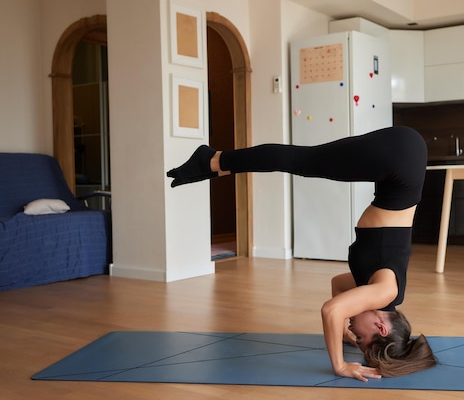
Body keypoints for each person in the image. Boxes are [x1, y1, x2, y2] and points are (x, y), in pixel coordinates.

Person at [167, 126, 437, 381]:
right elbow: (332, 310)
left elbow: (339, 286)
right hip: (401, 160)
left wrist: (345, 333)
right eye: (362, 339)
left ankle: (215, 164)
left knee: (305, 161)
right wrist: (339, 365)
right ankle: (213, 160)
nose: (355, 334)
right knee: (302, 161)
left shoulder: (375, 289)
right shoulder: (385, 293)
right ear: (381, 327)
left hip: (402, 162)